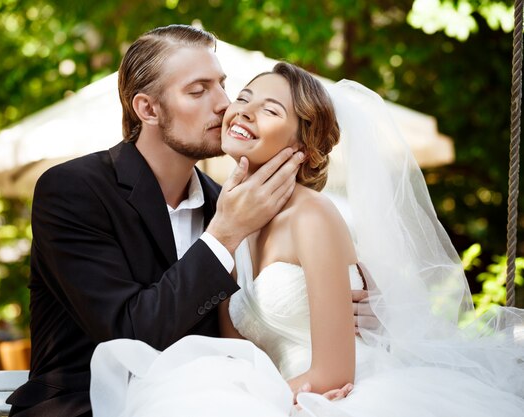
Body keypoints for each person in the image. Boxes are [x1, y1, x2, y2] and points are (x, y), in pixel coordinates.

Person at [89, 63, 524, 417]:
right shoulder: (230, 220)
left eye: (271, 110)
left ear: (306, 144)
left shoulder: (313, 215)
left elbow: (334, 373)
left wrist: (253, 403)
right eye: (244, 99)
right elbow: (237, 353)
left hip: (338, 396)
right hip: (276, 395)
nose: (242, 111)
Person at [7, 25, 315, 417]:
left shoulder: (226, 204)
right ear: (148, 109)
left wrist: (331, 305)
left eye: (222, 85)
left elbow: (248, 325)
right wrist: (224, 235)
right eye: (198, 91)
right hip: (88, 406)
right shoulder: (72, 191)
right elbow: (130, 334)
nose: (224, 105)